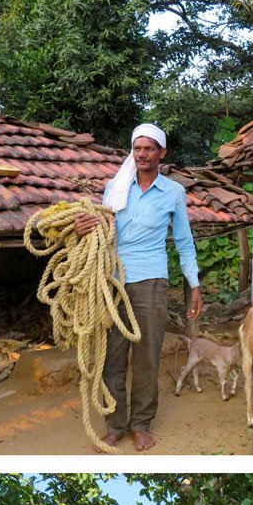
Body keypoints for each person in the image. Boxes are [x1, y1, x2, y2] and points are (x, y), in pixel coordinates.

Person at [73, 124, 202, 451]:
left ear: (162, 152)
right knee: (111, 357)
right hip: (112, 280)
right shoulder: (114, 188)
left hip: (151, 281)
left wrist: (195, 284)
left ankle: (141, 423)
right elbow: (101, 230)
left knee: (146, 356)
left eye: (149, 148)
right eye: (137, 148)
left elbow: (185, 244)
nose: (142, 154)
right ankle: (115, 425)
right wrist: (81, 228)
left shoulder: (173, 192)